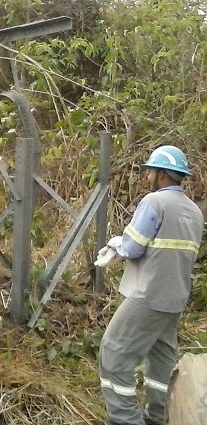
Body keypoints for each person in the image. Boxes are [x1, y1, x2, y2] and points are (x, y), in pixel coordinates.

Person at [96, 145, 203, 425]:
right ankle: (159, 416)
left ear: (162, 174)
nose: (147, 177)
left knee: (114, 352)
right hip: (174, 298)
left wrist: (116, 244)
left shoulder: (154, 202)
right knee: (161, 359)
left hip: (147, 295)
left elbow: (132, 247)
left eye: (151, 172)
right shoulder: (194, 212)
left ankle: (125, 419)